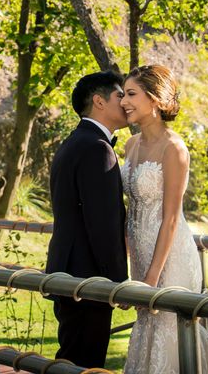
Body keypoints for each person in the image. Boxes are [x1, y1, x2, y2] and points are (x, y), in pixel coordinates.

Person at [119, 65, 208, 374]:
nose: (123, 102)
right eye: (123, 94)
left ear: (155, 99)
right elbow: (130, 210)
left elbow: (170, 218)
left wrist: (152, 277)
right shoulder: (130, 145)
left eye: (131, 94)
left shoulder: (175, 149)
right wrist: (129, 263)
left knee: (168, 324)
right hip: (141, 251)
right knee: (146, 328)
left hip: (170, 253)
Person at [46, 70, 129, 369]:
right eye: (120, 96)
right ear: (99, 101)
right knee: (86, 361)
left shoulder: (75, 141)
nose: (126, 102)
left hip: (69, 269)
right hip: (87, 276)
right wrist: (119, 281)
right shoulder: (97, 148)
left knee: (71, 358)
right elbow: (102, 223)